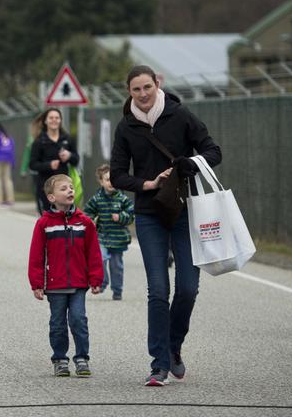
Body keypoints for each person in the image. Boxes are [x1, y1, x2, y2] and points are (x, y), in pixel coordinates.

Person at [110, 65, 221, 387]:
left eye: (147, 87)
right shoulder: (126, 127)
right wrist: (146, 184)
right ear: (129, 92)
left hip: (186, 211)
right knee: (158, 290)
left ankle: (173, 345)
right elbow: (118, 174)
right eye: (136, 90)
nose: (143, 95)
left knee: (188, 287)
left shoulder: (181, 115)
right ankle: (158, 364)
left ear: (157, 84)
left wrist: (191, 164)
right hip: (148, 214)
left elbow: (214, 151)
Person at [29, 174, 103, 377]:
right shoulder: (44, 224)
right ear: (51, 197)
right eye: (63, 188)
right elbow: (36, 256)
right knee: (58, 323)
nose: (70, 190)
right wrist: (37, 283)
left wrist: (96, 279)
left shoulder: (85, 223)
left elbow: (94, 253)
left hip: (79, 283)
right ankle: (60, 358)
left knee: (79, 320)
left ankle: (82, 358)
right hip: (55, 285)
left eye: (71, 187)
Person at [83, 164, 135, 300]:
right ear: (101, 181)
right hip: (102, 236)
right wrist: (91, 222)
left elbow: (131, 214)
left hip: (118, 238)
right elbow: (87, 212)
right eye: (107, 180)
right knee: (100, 259)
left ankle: (117, 290)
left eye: (113, 179)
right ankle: (102, 282)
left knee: (116, 266)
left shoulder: (122, 199)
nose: (111, 183)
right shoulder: (97, 199)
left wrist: (121, 217)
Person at [29, 108, 78, 215]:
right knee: (49, 218)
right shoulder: (39, 141)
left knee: (65, 218)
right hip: (45, 187)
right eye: (51, 118)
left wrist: (69, 156)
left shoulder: (67, 139)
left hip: (64, 187)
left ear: (60, 120)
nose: (54, 120)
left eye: (57, 118)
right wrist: (49, 165)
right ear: (45, 121)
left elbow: (76, 160)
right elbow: (32, 164)